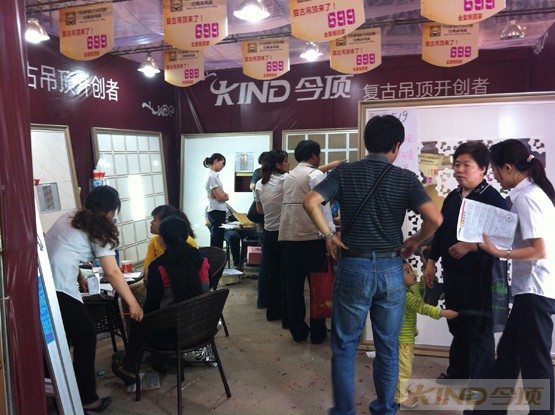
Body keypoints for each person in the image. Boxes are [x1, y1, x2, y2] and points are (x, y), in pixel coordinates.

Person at [303, 114, 443, 415]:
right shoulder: (405, 178)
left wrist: (328, 235)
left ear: (367, 142)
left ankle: (344, 410)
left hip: (354, 267)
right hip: (392, 270)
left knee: (344, 345)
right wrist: (415, 241)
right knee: (388, 345)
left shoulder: (345, 172)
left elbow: (310, 201)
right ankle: (384, 408)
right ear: (396, 146)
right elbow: (435, 218)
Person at [466, 139, 555, 415]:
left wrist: (499, 252)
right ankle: (487, 410)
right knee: (508, 355)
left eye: (494, 170)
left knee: (535, 364)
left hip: (535, 290)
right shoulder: (530, 193)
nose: (494, 176)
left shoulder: (527, 198)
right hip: (531, 290)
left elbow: (540, 250)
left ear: (507, 167)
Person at [45, 185, 143, 413]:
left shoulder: (70, 216)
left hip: (39, 283)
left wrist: (79, 275)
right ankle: (86, 398)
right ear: (112, 211)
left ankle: (52, 391)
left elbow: (61, 248)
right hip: (58, 287)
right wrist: (133, 303)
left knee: (53, 339)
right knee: (86, 336)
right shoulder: (100, 229)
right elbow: (113, 272)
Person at [423, 142, 508, 384]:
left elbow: (504, 240)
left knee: (479, 330)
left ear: (483, 169)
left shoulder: (492, 199)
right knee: (457, 325)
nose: (459, 170)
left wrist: (470, 246)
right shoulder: (453, 196)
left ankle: (481, 382)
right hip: (453, 274)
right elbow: (441, 233)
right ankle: (457, 373)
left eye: (466, 165)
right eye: (457, 164)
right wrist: (431, 261)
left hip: (480, 276)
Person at [112, 216, 210, 385]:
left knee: (139, 320)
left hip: (169, 336)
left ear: (162, 239)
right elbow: (207, 288)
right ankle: (160, 359)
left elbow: (152, 306)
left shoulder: (159, 267)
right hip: (201, 327)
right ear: (186, 236)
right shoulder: (202, 258)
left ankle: (129, 368)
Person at [279, 140, 343, 344]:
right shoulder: (315, 175)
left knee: (294, 288)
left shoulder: (288, 177)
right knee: (318, 287)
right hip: (312, 239)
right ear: (314, 155)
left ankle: (297, 331)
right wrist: (330, 235)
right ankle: (317, 333)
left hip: (289, 238)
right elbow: (322, 208)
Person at [396, 260, 458, 409]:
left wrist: (427, 276)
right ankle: (401, 397)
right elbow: (421, 306)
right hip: (403, 340)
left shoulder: (410, 288)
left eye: (411, 269)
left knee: (406, 364)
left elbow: (420, 287)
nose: (413, 273)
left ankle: (400, 388)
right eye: (407, 272)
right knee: (404, 368)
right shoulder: (404, 295)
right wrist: (443, 313)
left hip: (407, 338)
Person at [127, 205, 197, 309]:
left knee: (138, 295)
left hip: (177, 289)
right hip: (158, 282)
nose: (151, 222)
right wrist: (147, 278)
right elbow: (147, 265)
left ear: (166, 223)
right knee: (131, 290)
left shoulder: (188, 243)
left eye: (155, 219)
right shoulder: (154, 241)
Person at [254, 149, 290, 323]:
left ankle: (272, 311)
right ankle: (285, 313)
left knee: (271, 272)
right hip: (284, 233)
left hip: (268, 232)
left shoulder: (259, 184)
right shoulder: (285, 180)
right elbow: (308, 174)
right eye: (286, 161)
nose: (288, 164)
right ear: (278, 165)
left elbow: (259, 210)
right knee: (286, 274)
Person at [204, 153, 229, 248]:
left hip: (218, 209)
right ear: (215, 161)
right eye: (222, 163)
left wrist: (222, 195)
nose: (223, 166)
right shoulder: (211, 176)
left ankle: (217, 256)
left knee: (218, 238)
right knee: (216, 240)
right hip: (216, 210)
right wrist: (225, 197)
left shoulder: (214, 175)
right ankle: (215, 257)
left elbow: (220, 194)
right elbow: (220, 197)